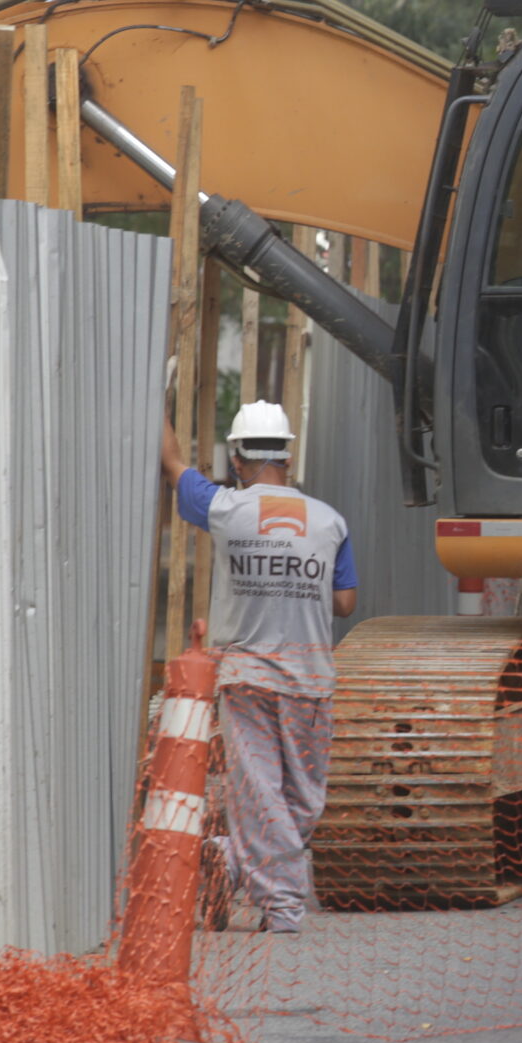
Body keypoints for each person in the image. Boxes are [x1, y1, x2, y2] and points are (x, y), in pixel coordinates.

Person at [159, 399, 357, 933]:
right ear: (287, 457)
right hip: (298, 682)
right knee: (292, 797)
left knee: (272, 796)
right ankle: (283, 906)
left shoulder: (224, 509)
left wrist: (156, 402)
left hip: (257, 681)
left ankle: (228, 858)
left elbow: (174, 465)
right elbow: (345, 603)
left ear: (238, 456)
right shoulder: (330, 522)